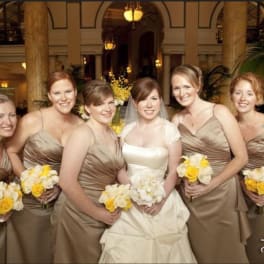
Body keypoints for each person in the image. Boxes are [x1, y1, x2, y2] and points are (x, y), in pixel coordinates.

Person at [99, 77, 197, 263]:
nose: (149, 104)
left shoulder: (169, 130)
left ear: (160, 101)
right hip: (130, 200)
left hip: (162, 199)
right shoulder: (126, 131)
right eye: (143, 99)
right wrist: (133, 195)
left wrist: (159, 202)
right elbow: (120, 168)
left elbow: (174, 172)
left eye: (154, 98)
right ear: (135, 103)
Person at [171, 64, 250, 263]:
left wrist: (211, 184)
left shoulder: (220, 112)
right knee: (199, 251)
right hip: (193, 196)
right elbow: (174, 160)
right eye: (176, 88)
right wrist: (183, 180)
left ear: (198, 86)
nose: (182, 93)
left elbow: (241, 157)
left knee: (227, 249)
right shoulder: (176, 119)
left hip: (222, 193)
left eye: (186, 86)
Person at [6, 71, 83, 264]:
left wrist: (61, 187)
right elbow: (11, 151)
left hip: (62, 204)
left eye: (68, 91)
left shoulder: (82, 126)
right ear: (49, 96)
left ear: (75, 92)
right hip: (29, 204)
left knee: (56, 254)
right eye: (57, 93)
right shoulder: (32, 120)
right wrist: (28, 180)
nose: (63, 98)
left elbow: (80, 168)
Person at [53, 79, 124, 263]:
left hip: (104, 209)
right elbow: (66, 181)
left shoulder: (112, 134)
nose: (107, 108)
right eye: (99, 104)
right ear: (87, 108)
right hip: (77, 213)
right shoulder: (82, 134)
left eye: (110, 103)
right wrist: (97, 213)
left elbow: (118, 172)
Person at [230, 72, 264, 263]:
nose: (243, 98)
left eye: (249, 93)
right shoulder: (228, 125)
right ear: (231, 95)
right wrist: (243, 184)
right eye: (238, 93)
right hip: (235, 197)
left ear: (258, 97)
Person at [0, 94, 17, 264]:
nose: (8, 121)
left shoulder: (9, 146)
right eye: (0, 116)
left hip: (6, 225)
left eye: (12, 115)